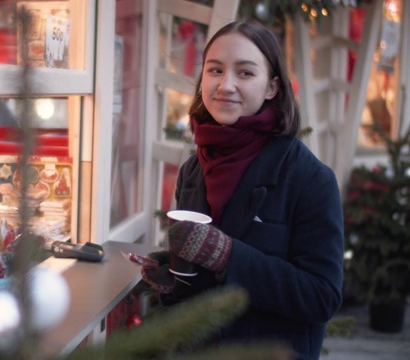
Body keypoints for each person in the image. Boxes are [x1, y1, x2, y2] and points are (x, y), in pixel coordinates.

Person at [141, 20, 344, 360]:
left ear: (272, 87)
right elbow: (203, 289)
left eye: (245, 73)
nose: (225, 85)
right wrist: (173, 273)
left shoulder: (309, 178)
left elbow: (321, 297)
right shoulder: (195, 169)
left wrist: (227, 256)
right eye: (215, 70)